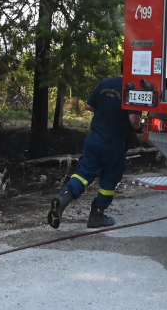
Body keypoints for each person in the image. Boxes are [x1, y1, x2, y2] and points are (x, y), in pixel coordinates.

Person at [47, 75, 142, 228]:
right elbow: (133, 119)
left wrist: (105, 109)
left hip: (94, 139)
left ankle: (63, 199)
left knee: (83, 174)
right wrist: (140, 128)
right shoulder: (133, 88)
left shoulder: (106, 83)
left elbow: (88, 106)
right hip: (113, 143)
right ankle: (97, 215)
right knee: (110, 179)